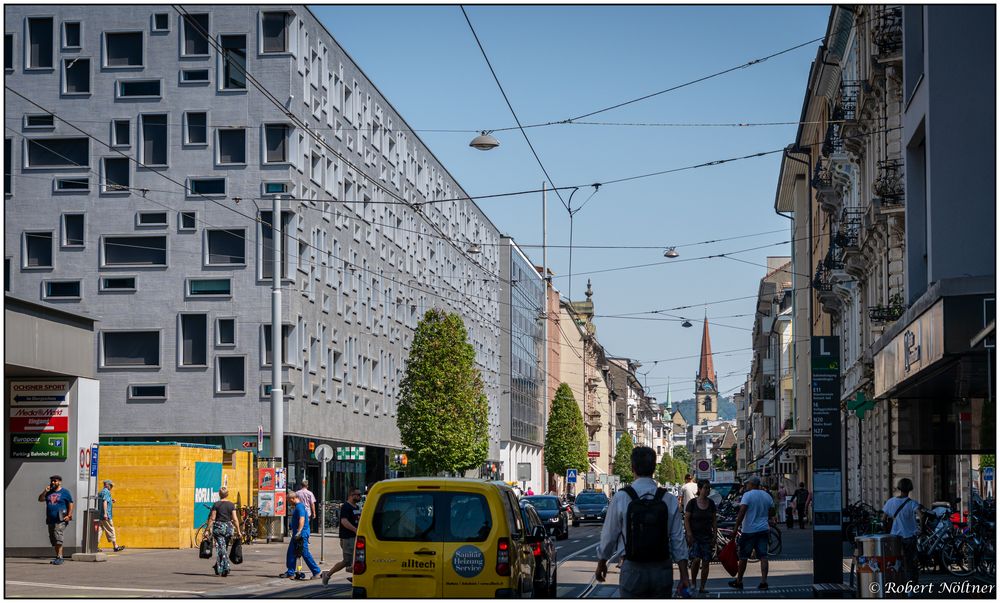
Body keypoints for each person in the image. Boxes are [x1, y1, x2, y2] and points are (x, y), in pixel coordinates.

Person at [596, 447, 690, 598]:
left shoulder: (621, 497)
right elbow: (678, 540)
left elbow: (609, 534)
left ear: (632, 468)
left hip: (632, 569)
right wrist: (684, 575)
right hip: (662, 569)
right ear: (654, 468)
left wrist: (602, 561)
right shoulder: (668, 499)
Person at [728, 475, 775, 591]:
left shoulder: (747, 495)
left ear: (752, 484)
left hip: (748, 531)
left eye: (748, 484)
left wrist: (735, 528)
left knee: (743, 557)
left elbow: (742, 512)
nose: (746, 485)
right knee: (763, 556)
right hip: (763, 529)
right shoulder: (767, 496)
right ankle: (764, 582)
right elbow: (772, 511)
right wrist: (765, 517)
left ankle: (739, 581)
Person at [321, 486, 362, 585]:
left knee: (358, 559)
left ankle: (356, 577)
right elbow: (344, 521)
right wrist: (356, 530)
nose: (360, 497)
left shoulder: (357, 507)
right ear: (352, 495)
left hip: (356, 537)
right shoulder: (346, 507)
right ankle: (327, 575)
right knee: (347, 561)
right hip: (348, 537)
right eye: (358, 495)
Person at [883, 478, 921, 585]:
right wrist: (921, 528)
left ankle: (897, 583)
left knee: (896, 561)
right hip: (909, 537)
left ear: (899, 488)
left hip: (894, 537)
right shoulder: (912, 503)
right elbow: (921, 515)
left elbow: (883, 519)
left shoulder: (890, 502)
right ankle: (911, 586)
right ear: (910, 489)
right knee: (910, 562)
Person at [684, 479, 717, 594]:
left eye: (709, 488)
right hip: (695, 536)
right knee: (696, 559)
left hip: (707, 536)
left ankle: (702, 587)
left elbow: (714, 520)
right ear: (699, 489)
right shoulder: (692, 503)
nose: (707, 490)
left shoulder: (711, 503)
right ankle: (693, 583)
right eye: (705, 488)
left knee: (706, 562)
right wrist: (689, 533)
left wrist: (715, 535)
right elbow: (686, 519)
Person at [281, 490, 322, 579]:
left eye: (289, 500)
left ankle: (316, 571)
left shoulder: (300, 507)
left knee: (305, 553)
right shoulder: (298, 507)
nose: (288, 503)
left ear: (293, 498)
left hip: (301, 534)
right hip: (297, 534)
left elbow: (302, 519)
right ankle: (290, 572)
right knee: (291, 552)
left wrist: (299, 531)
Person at [38, 475, 74, 565]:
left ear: (60, 482)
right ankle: (58, 556)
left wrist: (69, 515)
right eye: (52, 481)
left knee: (58, 535)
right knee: (54, 538)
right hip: (50, 519)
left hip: (61, 518)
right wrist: (45, 492)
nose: (53, 482)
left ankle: (60, 557)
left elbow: (70, 503)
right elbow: (40, 499)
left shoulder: (65, 492)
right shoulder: (49, 492)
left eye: (55, 481)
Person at [207, 487, 241, 577]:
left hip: (219, 528)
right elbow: (235, 519)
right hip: (229, 528)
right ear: (227, 494)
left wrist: (207, 530)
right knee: (223, 547)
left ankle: (225, 567)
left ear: (219, 494)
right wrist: (238, 531)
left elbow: (212, 518)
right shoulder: (231, 505)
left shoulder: (216, 504)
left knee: (221, 548)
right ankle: (218, 565)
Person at [97, 480, 125, 552]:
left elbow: (103, 501)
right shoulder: (106, 492)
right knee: (111, 529)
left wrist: (111, 500)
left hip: (99, 515)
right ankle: (115, 546)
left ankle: (95, 546)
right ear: (107, 485)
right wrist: (105, 514)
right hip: (106, 515)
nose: (112, 487)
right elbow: (105, 502)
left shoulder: (101, 492)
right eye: (111, 485)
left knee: (99, 531)